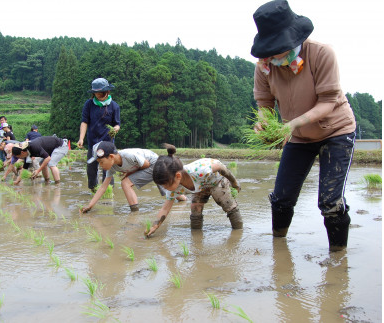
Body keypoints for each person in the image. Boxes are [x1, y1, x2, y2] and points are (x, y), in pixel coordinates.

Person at [250, 0, 357, 251]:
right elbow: (265, 103)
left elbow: (329, 101)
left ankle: (338, 260)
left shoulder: (321, 54)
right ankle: (279, 248)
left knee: (330, 202)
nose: (273, 57)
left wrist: (291, 125)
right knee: (282, 198)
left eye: (277, 50)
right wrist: (264, 124)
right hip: (297, 136)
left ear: (292, 39)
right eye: (270, 50)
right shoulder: (265, 67)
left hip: (335, 132)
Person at [145, 144, 243, 237]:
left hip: (216, 180)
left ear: (178, 176)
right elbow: (165, 208)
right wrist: (155, 225)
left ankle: (238, 232)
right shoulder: (174, 187)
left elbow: (220, 166)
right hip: (200, 186)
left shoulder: (199, 170)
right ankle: (196, 238)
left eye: (165, 185)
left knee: (228, 205)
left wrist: (234, 182)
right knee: (195, 209)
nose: (164, 188)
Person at [80, 141, 186, 213]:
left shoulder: (128, 155)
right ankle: (183, 199)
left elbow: (146, 164)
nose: (100, 166)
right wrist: (90, 205)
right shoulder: (112, 167)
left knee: (126, 183)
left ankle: (135, 212)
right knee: (167, 188)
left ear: (111, 157)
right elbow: (103, 187)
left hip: (154, 163)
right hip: (150, 165)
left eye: (101, 162)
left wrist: (129, 174)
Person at [77, 78, 121, 192]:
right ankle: (93, 189)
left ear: (107, 92)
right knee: (91, 167)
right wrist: (81, 138)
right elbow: (84, 121)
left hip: (108, 142)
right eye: (96, 93)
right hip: (93, 142)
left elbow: (117, 124)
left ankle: (108, 189)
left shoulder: (114, 106)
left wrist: (115, 129)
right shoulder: (89, 104)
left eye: (100, 93)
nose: (98, 95)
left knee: (108, 167)